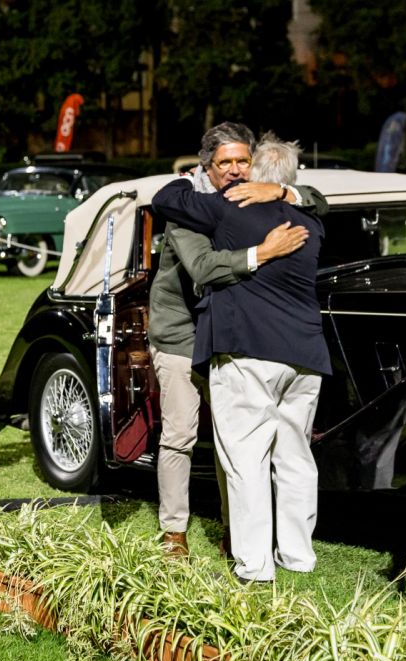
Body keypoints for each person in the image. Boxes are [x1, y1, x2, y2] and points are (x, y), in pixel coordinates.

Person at [152, 135, 330, 583]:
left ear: (255, 171)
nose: (234, 170)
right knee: (294, 458)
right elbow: (320, 202)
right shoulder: (312, 225)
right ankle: (297, 554)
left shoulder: (225, 210)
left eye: (242, 162)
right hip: (304, 353)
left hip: (247, 348)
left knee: (245, 458)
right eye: (226, 162)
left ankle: (253, 564)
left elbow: (166, 197)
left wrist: (198, 185)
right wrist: (287, 195)